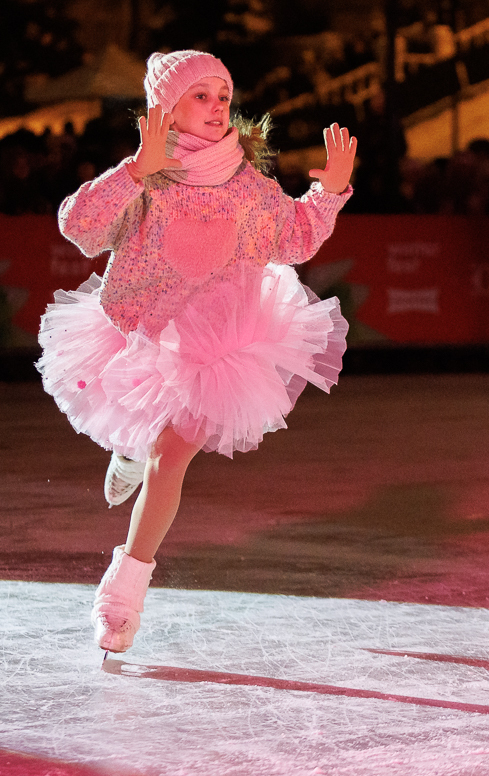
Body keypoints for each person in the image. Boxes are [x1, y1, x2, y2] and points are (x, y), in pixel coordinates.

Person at [37, 50, 357, 654]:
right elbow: (79, 228)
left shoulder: (245, 183)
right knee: (149, 439)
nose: (217, 107)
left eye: (222, 95)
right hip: (143, 327)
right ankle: (127, 452)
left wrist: (331, 189)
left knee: (173, 453)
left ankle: (121, 596)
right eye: (200, 95)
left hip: (216, 342)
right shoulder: (147, 174)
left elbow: (293, 238)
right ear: (168, 107)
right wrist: (135, 170)